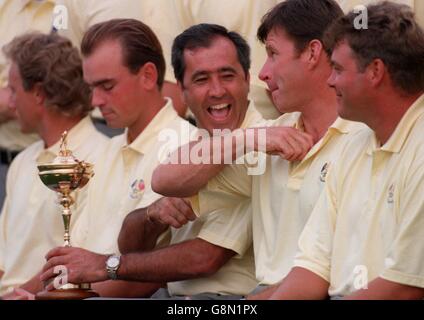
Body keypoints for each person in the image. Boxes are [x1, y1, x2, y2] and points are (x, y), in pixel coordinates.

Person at [151, 0, 367, 299]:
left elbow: (339, 273)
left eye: (273, 54)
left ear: (313, 53)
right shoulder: (268, 137)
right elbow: (165, 180)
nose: (263, 74)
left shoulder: (364, 138)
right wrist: (246, 140)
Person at [40, 23, 267, 299]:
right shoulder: (191, 145)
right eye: (201, 79)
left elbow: (204, 259)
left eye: (227, 75)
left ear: (247, 79)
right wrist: (152, 215)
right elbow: (132, 247)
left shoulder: (259, 148)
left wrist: (105, 265)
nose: (217, 90)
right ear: (182, 90)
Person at [270, 1, 424, 300]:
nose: (330, 80)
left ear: (375, 71)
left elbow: (406, 287)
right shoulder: (354, 144)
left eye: (338, 69)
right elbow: (312, 267)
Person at [0, 32, 109, 298]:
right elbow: (4, 261)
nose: (10, 103)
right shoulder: (23, 162)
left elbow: (80, 262)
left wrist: (19, 294)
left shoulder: (102, 158)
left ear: (38, 93)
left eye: (13, 90)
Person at [0, 0, 56, 209]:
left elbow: (63, 94)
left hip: (50, 163)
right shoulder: (5, 7)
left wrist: (10, 98)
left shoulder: (73, 7)